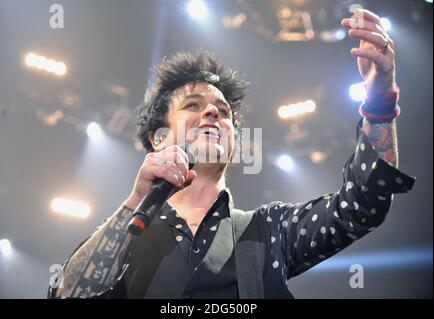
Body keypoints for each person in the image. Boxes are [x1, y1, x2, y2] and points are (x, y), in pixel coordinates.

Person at [48, 8, 415, 299]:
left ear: (233, 141)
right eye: (193, 104)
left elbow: (362, 206)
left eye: (222, 112)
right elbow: (66, 294)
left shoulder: (270, 230)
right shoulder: (129, 235)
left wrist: (380, 99)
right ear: (158, 138)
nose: (212, 113)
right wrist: (137, 200)